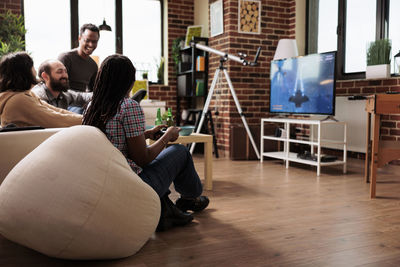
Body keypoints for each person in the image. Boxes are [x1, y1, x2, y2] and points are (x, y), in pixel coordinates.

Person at [83, 54, 209, 232]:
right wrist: (167, 137)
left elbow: (115, 141)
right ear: (128, 80)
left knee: (169, 152)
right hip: (134, 185)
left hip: (108, 182)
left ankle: (168, 207)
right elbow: (143, 159)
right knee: (180, 151)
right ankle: (190, 199)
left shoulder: (92, 108)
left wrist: (147, 134)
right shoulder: (128, 106)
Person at [0, 52, 82, 128]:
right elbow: (55, 119)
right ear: (26, 72)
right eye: (32, 67)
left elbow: (56, 111)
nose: (35, 72)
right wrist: (88, 120)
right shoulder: (20, 100)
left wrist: (87, 118)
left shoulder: (25, 95)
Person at [58, 23, 99, 93]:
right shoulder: (65, 58)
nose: (91, 44)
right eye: (87, 40)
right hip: (64, 101)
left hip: (82, 102)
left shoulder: (93, 65)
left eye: (94, 42)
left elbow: (93, 90)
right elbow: (57, 87)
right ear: (79, 38)